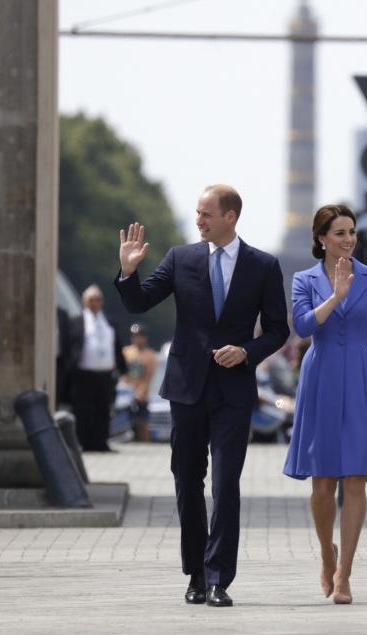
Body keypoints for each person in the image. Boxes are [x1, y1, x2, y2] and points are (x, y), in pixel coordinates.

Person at [115, 184, 289, 607]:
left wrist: (247, 351)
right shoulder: (181, 258)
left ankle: (218, 580)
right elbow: (139, 303)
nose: (199, 221)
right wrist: (127, 272)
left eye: (206, 214)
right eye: (197, 213)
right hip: (187, 388)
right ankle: (195, 571)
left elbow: (279, 329)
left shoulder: (263, 265)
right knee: (187, 481)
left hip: (233, 391)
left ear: (230, 216)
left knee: (227, 484)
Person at [283, 204, 367, 605]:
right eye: (339, 233)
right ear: (321, 239)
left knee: (355, 478)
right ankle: (325, 553)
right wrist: (335, 296)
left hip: (363, 380)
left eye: (352, 232)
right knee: (323, 481)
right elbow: (301, 327)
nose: (348, 239)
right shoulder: (304, 279)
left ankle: (345, 573)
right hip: (321, 379)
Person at [73, 285, 128, 452]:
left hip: (106, 374)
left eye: (98, 299)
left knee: (104, 410)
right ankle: (82, 442)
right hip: (84, 374)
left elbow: (117, 346)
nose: (95, 303)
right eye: (91, 299)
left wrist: (122, 369)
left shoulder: (109, 322)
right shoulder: (77, 321)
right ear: (84, 302)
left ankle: (101, 442)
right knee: (84, 410)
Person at [121, 323, 158, 441]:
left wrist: (140, 392)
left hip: (142, 395)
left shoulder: (150, 355)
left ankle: (144, 444)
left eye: (140, 336)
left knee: (143, 422)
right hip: (126, 393)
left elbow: (149, 377)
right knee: (125, 422)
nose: (138, 339)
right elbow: (123, 373)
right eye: (135, 336)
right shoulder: (125, 352)